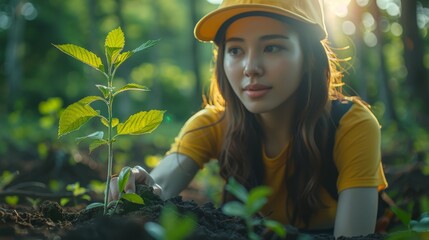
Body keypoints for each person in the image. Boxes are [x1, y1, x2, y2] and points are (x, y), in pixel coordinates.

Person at [109, 0, 388, 238]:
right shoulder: (212, 124)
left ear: (310, 59)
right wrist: (140, 186)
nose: (250, 68)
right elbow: (161, 184)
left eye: (272, 47)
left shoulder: (351, 125)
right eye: (235, 50)